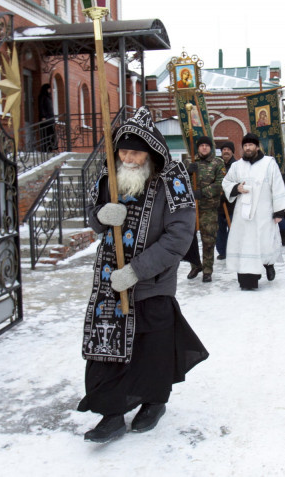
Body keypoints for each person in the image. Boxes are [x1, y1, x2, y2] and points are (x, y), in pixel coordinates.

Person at [79, 107, 208, 443]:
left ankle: (154, 401)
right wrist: (102, 215)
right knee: (108, 347)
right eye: (123, 151)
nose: (129, 158)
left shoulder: (174, 181)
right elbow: (93, 218)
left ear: (151, 153)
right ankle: (111, 412)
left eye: (135, 152)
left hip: (152, 284)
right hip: (110, 283)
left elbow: (179, 237)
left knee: (152, 347)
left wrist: (136, 271)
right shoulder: (110, 175)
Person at [222, 133, 285, 290]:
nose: (248, 148)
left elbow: (277, 185)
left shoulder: (269, 164)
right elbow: (226, 182)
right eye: (245, 145)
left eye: (250, 145)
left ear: (257, 146)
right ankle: (247, 280)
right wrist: (236, 188)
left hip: (264, 212)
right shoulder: (237, 166)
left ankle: (268, 264)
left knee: (265, 242)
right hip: (243, 215)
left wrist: (279, 212)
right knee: (245, 245)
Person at [184, 136, 226, 282]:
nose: (204, 148)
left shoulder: (217, 162)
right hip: (191, 209)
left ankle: (207, 270)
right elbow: (179, 182)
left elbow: (221, 183)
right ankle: (195, 265)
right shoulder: (189, 162)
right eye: (201, 145)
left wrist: (202, 192)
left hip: (209, 208)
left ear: (210, 148)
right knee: (190, 240)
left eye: (206, 146)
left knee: (208, 240)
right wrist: (188, 172)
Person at [216, 141, 236, 260]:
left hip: (233, 204)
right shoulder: (217, 164)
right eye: (224, 149)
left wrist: (229, 192)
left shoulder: (237, 165)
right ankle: (222, 251)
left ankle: (232, 250)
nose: (226, 151)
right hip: (219, 204)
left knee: (233, 229)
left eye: (228, 149)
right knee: (220, 230)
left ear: (232, 151)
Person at [38, 84, 56, 152]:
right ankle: (45, 149)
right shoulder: (42, 97)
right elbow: (41, 107)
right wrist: (43, 116)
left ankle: (50, 148)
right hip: (46, 119)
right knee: (45, 134)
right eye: (48, 89)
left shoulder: (49, 97)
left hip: (50, 119)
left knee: (51, 134)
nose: (50, 90)